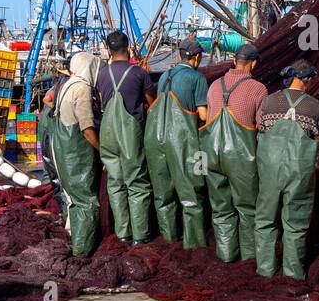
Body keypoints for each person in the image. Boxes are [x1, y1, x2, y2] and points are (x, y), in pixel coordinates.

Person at [254, 59, 319, 279]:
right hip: (299, 173)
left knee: (265, 221)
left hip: (269, 171)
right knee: (295, 225)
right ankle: (292, 275)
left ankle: (265, 271)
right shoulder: (314, 106)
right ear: (303, 79)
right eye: (309, 79)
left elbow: (261, 132)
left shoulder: (270, 102)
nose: (310, 82)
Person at [202, 43, 268, 262]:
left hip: (211, 155)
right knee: (248, 209)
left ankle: (226, 257)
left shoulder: (213, 86)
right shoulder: (258, 89)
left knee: (221, 209)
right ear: (255, 63)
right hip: (241, 158)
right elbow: (262, 127)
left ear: (234, 61)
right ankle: (249, 260)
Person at [145, 39, 209, 249]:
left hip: (155, 138)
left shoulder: (164, 75)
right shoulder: (197, 77)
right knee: (191, 195)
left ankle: (169, 241)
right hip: (182, 141)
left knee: (163, 195)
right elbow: (203, 114)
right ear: (196, 57)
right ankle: (194, 247)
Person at [95, 30, 155, 245]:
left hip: (108, 134)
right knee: (137, 184)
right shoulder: (139, 73)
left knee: (116, 183)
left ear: (109, 51)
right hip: (131, 134)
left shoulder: (101, 74)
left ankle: (122, 234)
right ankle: (140, 236)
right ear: (128, 48)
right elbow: (152, 102)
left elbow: (103, 100)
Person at [45, 52, 103, 256]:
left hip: (62, 150)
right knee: (87, 202)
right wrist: (102, 151)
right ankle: (82, 251)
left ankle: (78, 243)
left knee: (73, 200)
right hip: (76, 155)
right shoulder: (82, 88)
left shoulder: (67, 85)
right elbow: (87, 128)